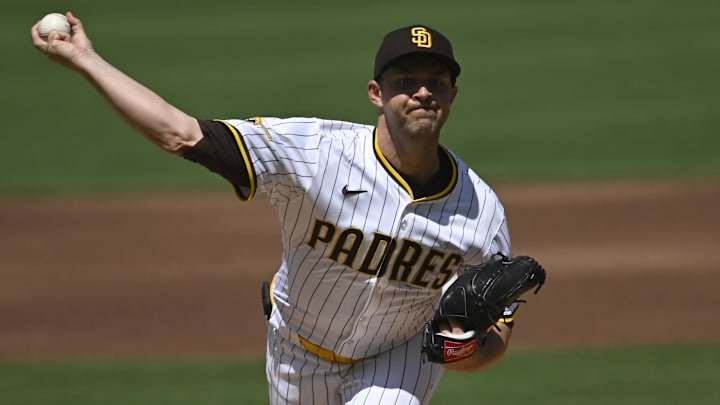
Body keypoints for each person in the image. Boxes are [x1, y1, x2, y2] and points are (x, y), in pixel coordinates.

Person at [32, 13, 516, 404]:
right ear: (376, 93)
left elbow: (494, 341)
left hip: (399, 357)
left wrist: (464, 351)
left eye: (436, 81)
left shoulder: (482, 212)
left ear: (452, 94)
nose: (423, 91)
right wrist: (87, 60)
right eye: (405, 80)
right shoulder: (314, 152)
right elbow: (179, 133)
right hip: (294, 351)